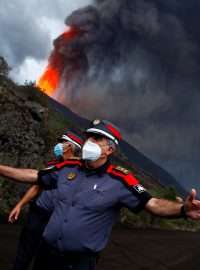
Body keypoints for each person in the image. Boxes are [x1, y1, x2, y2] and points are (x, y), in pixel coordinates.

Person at [0, 119, 200, 270]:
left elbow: (153, 203)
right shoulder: (67, 166)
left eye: (96, 138)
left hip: (78, 264)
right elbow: (35, 175)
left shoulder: (121, 179)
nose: (88, 141)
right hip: (45, 256)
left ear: (110, 149)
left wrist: (182, 209)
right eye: (88, 136)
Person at [8, 131, 83, 270]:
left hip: (55, 220)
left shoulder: (80, 171)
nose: (58, 145)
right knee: (24, 253)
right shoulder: (52, 164)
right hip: (37, 214)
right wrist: (19, 205)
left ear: (70, 147)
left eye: (62, 142)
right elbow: (37, 186)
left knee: (45, 259)